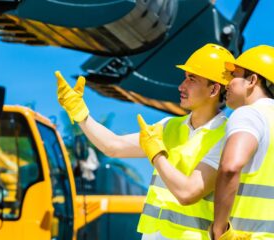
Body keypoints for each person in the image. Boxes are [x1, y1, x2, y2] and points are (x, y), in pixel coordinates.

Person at [56, 43, 234, 239]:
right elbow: (113, 146)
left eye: (192, 79)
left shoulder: (226, 137)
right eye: (185, 78)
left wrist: (156, 155)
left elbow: (188, 193)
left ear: (214, 89)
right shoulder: (169, 127)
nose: (181, 86)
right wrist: (81, 114)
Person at [212, 45, 274, 239]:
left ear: (252, 80)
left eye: (234, 75)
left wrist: (219, 229)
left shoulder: (249, 114)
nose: (226, 83)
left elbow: (230, 167)